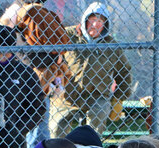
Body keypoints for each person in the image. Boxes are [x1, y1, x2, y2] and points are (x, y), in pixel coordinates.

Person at [53, 2, 133, 136]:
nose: (95, 24)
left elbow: (124, 71)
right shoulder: (68, 35)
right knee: (57, 127)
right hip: (67, 95)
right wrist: (53, 85)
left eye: (100, 21)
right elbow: (51, 59)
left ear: (105, 25)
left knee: (98, 118)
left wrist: (119, 98)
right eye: (93, 19)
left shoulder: (111, 45)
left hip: (97, 96)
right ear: (85, 19)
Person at [0, 25, 47, 148]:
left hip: (13, 142)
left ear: (4, 43)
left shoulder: (24, 72)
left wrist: (18, 130)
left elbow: (39, 107)